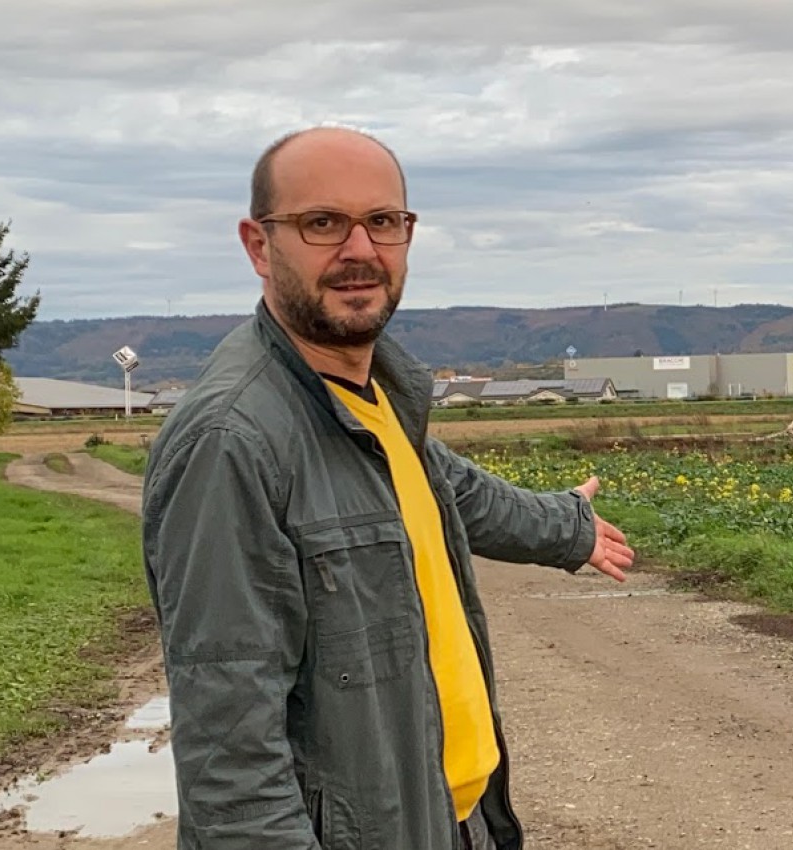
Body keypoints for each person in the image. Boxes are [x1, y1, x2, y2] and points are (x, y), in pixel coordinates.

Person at [140, 125, 635, 850]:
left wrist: (569, 527)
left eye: (382, 222)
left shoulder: (366, 396)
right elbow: (230, 750)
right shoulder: (234, 438)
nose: (360, 250)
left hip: (448, 817)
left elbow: (452, 492)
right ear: (257, 244)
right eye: (322, 223)